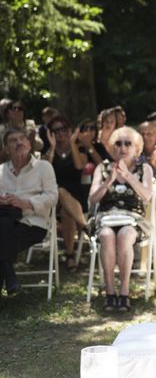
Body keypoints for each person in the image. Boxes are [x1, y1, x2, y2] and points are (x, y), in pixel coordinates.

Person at [89, 126, 153, 312]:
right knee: (107, 236)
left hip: (133, 220)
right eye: (118, 143)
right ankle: (110, 291)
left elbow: (147, 196)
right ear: (111, 147)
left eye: (128, 143)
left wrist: (128, 176)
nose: (122, 147)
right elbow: (92, 199)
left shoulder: (144, 168)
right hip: (106, 219)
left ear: (137, 148)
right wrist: (110, 179)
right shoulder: (103, 168)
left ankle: (124, 290)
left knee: (125, 235)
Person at [0, 128, 58, 294]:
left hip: (33, 224)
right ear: (6, 148)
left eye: (22, 139)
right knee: (3, 224)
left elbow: (53, 197)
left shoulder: (43, 167)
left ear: (29, 144)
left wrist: (25, 203)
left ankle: (9, 278)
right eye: (13, 140)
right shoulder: (1, 171)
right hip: (6, 220)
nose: (19, 143)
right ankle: (10, 278)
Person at [43, 115, 89, 272]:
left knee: (66, 213)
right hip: (52, 198)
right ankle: (85, 226)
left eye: (64, 129)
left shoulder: (79, 147)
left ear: (70, 130)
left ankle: (70, 256)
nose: (60, 132)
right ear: (51, 133)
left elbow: (79, 166)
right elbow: (45, 172)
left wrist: (72, 143)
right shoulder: (49, 150)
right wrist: (53, 147)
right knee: (59, 190)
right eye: (56, 130)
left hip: (76, 197)